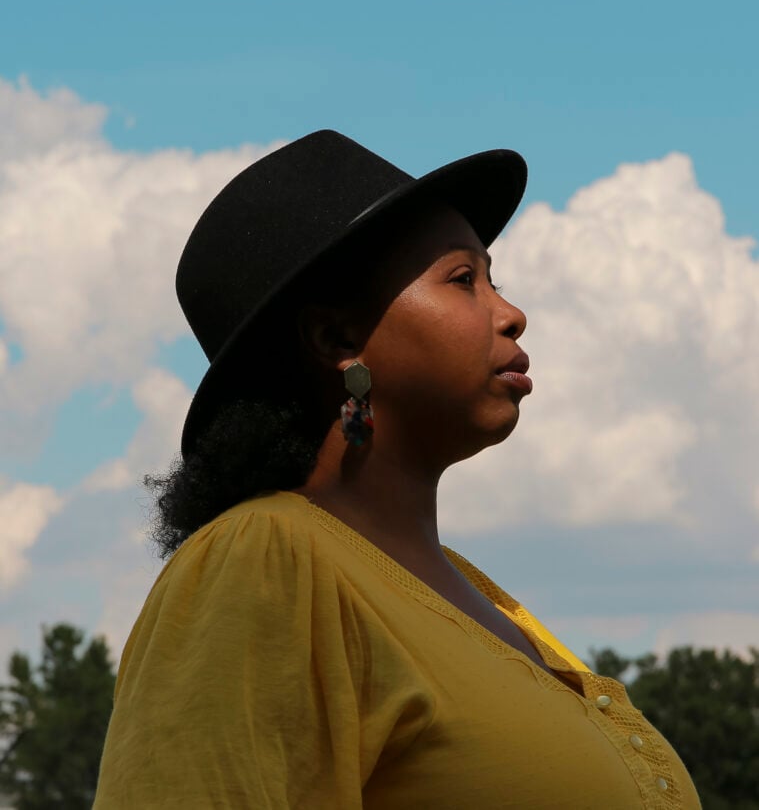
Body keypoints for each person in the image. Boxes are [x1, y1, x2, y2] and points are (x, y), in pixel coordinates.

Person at [94, 131, 701, 808]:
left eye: (493, 280)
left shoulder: (480, 593)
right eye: (463, 280)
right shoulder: (267, 558)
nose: (511, 314)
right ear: (337, 339)